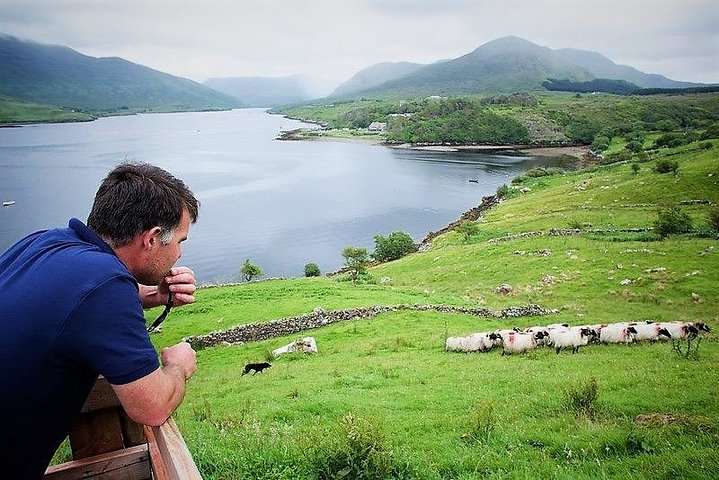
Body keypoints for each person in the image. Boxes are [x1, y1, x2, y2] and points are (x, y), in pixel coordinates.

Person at [0, 162, 200, 479]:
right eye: (180, 242)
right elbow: (152, 407)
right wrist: (179, 366)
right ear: (152, 238)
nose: (179, 255)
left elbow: (70, 300)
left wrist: (149, 296)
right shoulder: (106, 286)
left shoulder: (44, 242)